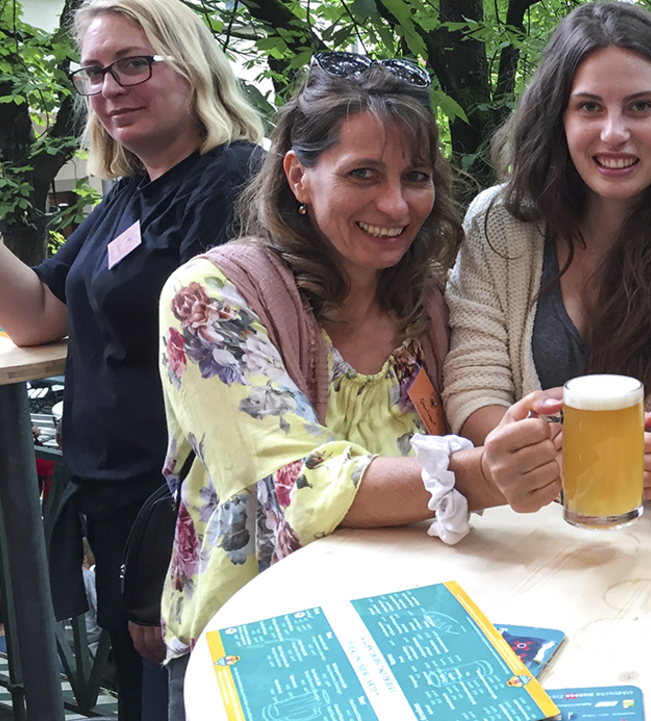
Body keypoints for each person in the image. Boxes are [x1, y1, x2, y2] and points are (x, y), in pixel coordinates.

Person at [156, 55, 552, 715]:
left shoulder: (425, 306)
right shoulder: (210, 296)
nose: (396, 205)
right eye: (363, 174)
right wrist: (480, 476)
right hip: (256, 652)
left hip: (412, 631)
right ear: (298, 176)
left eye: (415, 178)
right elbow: (295, 484)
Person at [0, 0, 263, 721]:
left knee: (182, 697)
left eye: (132, 64)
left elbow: (228, 371)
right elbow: (40, 316)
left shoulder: (232, 182)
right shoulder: (128, 194)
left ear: (192, 67)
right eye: (94, 72)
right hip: (114, 504)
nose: (109, 89)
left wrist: (167, 549)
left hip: (183, 514)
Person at [443, 1, 651, 502]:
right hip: (524, 531)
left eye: (640, 106)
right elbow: (472, 387)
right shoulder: (497, 222)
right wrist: (525, 450)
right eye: (589, 106)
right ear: (558, 117)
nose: (614, 133)